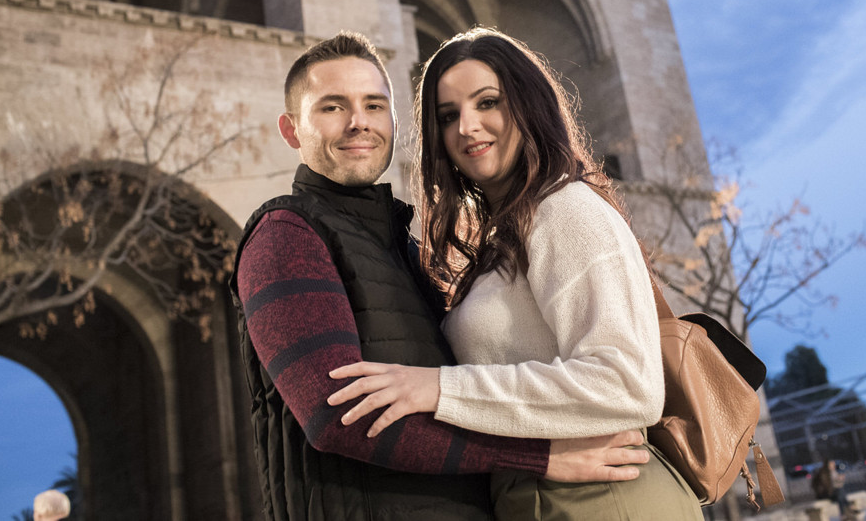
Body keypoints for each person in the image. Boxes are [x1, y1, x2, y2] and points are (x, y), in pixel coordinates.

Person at [230, 32, 650, 521]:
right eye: (331, 107)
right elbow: (334, 417)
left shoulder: (403, 247)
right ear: (291, 130)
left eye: (373, 104)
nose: (357, 122)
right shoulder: (285, 234)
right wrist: (536, 456)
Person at [328, 28, 703, 519]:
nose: (468, 127)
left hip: (608, 499)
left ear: (528, 105)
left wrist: (439, 388)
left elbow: (628, 384)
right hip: (544, 498)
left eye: (488, 102)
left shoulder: (564, 210)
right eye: (449, 116)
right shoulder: (505, 233)